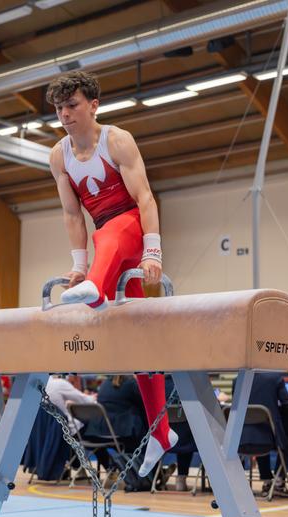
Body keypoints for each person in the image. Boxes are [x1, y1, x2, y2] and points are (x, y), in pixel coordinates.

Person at [47, 70, 177, 477]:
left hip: (133, 231)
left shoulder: (116, 140)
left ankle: (97, 292)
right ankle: (162, 434)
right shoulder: (59, 155)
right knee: (139, 340)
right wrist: (78, 266)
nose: (65, 115)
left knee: (112, 233)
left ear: (93, 105)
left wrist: (153, 252)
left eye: (72, 106)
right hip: (106, 248)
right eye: (59, 108)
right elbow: (72, 215)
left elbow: (145, 196)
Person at [232, 372, 288, 498]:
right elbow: (287, 403)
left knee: (259, 438)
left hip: (242, 438)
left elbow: (236, 404)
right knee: (287, 445)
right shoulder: (275, 378)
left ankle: (267, 481)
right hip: (268, 436)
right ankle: (278, 483)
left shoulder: (238, 379)